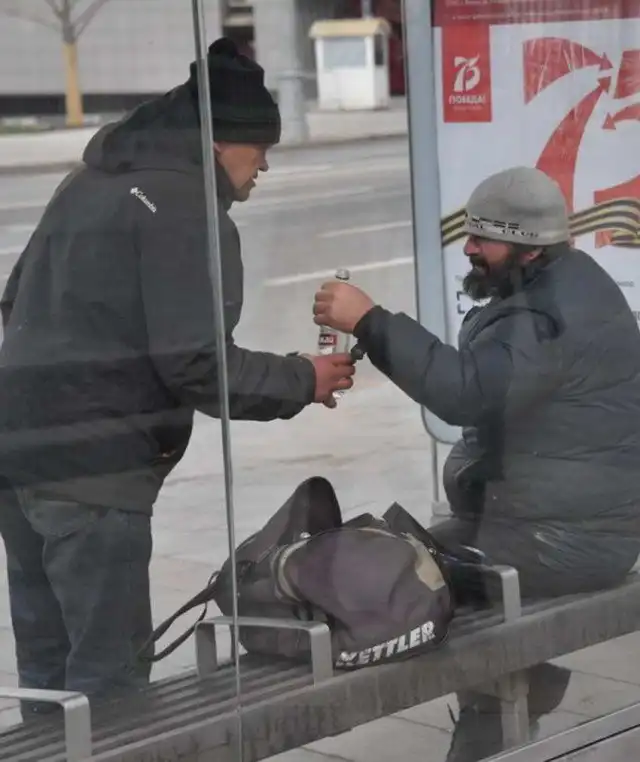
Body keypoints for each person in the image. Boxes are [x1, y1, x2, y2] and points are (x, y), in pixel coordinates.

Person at [0, 38, 355, 706]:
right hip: (92, 469)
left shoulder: (92, 179)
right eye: (261, 148)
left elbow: (15, 298)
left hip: (18, 451)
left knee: (48, 671)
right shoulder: (186, 206)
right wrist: (303, 379)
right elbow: (197, 363)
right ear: (220, 143)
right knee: (108, 685)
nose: (265, 164)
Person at [313, 166, 640, 759]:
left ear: (528, 247)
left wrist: (369, 321)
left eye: (483, 238)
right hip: (560, 524)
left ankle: (494, 718)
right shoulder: (563, 287)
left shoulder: (544, 316)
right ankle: (513, 690)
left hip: (564, 540)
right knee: (401, 550)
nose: (468, 248)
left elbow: (466, 392)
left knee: (401, 580)